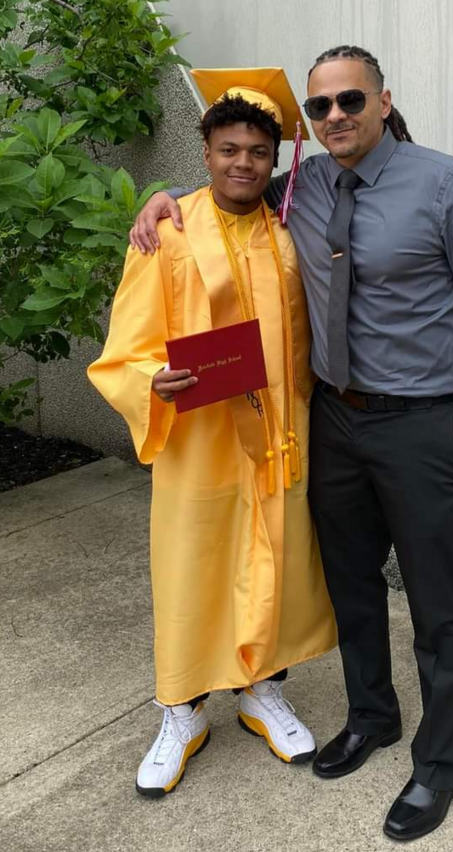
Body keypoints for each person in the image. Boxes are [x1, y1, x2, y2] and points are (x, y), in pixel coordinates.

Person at [131, 45, 453, 839]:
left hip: (425, 424)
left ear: (383, 101)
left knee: (438, 604)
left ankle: (439, 766)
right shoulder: (305, 184)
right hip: (337, 422)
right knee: (352, 585)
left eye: (350, 100)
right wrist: (161, 197)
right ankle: (372, 717)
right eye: (319, 107)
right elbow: (230, 184)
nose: (334, 117)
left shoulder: (446, 184)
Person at [88, 68, 337, 799]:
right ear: (205, 153)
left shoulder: (290, 231)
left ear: (274, 159)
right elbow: (125, 349)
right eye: (229, 149)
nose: (243, 164)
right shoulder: (166, 233)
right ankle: (183, 711)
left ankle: (262, 690)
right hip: (200, 438)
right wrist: (150, 382)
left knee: (276, 562)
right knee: (192, 569)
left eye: (258, 152)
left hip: (281, 436)